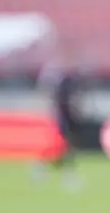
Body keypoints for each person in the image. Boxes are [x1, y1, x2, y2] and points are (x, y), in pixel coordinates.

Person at [32, 63, 84, 191]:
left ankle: (54, 170)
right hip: (62, 120)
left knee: (64, 148)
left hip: (67, 119)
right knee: (60, 147)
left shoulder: (69, 83)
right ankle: (47, 168)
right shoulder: (63, 84)